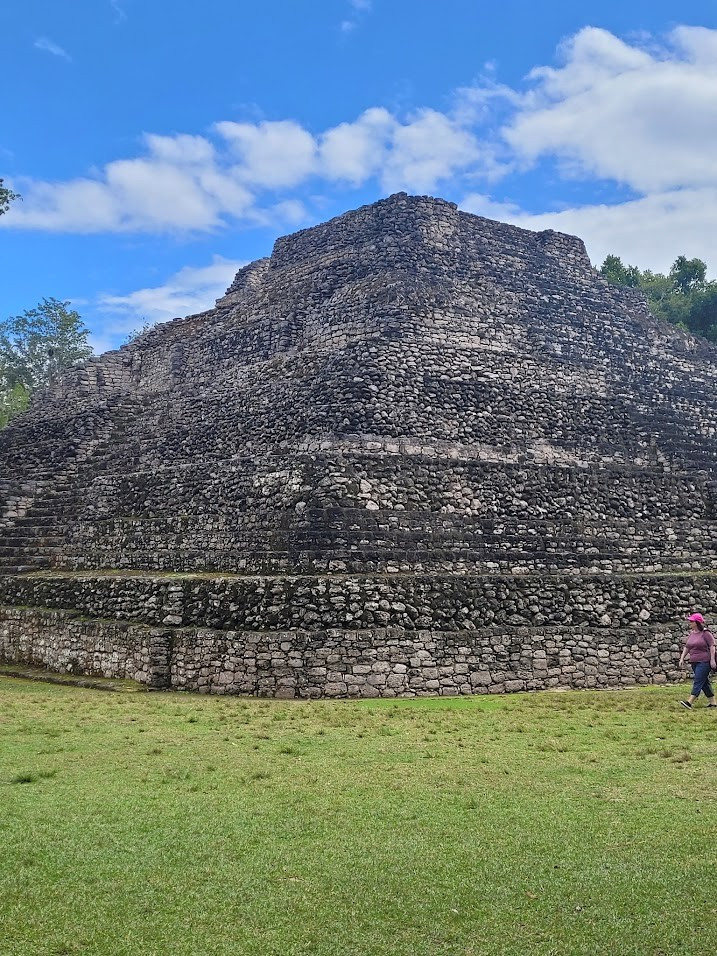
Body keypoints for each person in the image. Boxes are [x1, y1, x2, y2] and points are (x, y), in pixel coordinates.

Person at [679, 612, 716, 709]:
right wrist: (682, 658)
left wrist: (712, 660)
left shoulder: (706, 633)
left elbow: (712, 646)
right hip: (694, 661)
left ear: (697, 622)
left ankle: (689, 702)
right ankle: (713, 703)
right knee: (704, 682)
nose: (689, 622)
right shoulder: (692, 634)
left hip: (704, 661)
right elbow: (687, 647)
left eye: (691, 621)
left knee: (698, 680)